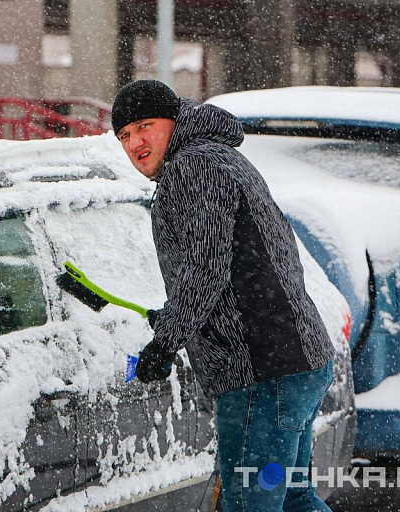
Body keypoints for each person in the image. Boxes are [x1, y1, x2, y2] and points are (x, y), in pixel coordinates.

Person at [112, 79, 335, 512]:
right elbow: (240, 268)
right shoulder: (219, 156)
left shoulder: (195, 166)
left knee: (251, 505)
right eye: (124, 135)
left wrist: (165, 342)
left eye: (144, 126)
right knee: (292, 499)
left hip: (260, 372)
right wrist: (180, 318)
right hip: (294, 362)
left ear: (174, 120)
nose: (135, 142)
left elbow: (206, 266)